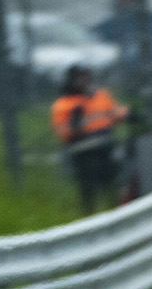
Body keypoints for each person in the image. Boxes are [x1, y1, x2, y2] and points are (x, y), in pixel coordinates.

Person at [50, 66, 129, 212]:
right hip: (84, 154)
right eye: (79, 78)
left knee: (114, 186)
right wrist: (75, 123)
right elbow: (62, 132)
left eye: (85, 77)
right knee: (89, 192)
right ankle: (90, 214)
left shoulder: (101, 96)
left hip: (106, 149)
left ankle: (116, 211)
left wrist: (128, 114)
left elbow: (116, 113)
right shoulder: (64, 104)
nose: (83, 81)